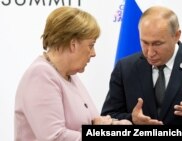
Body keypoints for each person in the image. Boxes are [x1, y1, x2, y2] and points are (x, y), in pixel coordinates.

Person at [15, 6, 131, 141]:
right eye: (91, 45)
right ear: (73, 44)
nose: (94, 53)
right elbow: (55, 137)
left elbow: (80, 126)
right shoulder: (41, 74)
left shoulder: (69, 75)